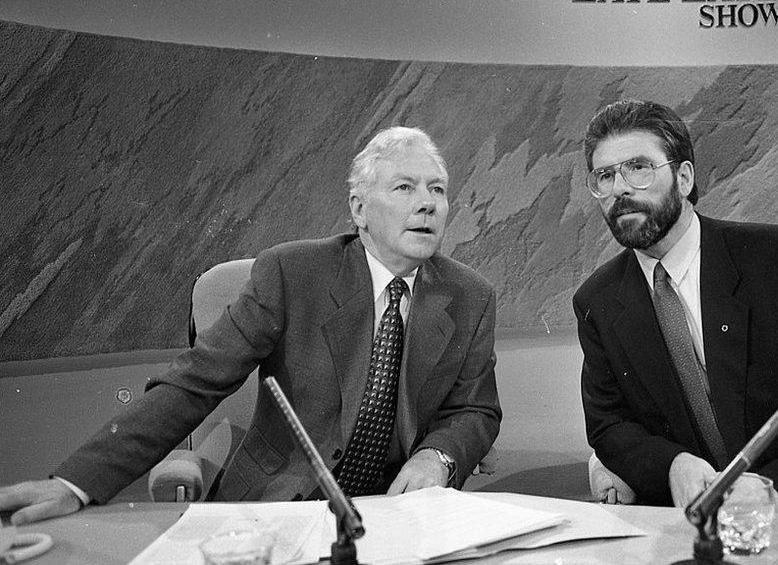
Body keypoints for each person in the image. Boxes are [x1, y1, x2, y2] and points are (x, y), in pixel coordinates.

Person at [0, 126, 501, 524]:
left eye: (437, 189)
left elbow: (475, 409)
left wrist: (439, 456)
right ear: (359, 210)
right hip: (278, 505)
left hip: (394, 516)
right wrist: (76, 482)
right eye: (405, 187)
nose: (428, 203)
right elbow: (195, 382)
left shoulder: (469, 295)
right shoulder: (292, 273)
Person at [575, 100, 778, 516]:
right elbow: (609, 425)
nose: (619, 188)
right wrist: (672, 466)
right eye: (605, 175)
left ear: (684, 177)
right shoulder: (596, 300)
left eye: (638, 167)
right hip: (691, 527)